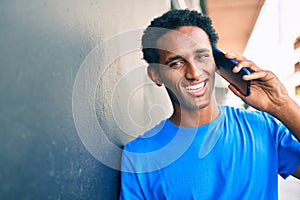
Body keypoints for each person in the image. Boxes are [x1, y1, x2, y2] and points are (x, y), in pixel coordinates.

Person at [119, 9, 300, 199]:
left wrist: (281, 104)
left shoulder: (263, 127)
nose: (194, 73)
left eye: (202, 56)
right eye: (176, 63)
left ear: (217, 61)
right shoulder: (139, 156)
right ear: (156, 75)